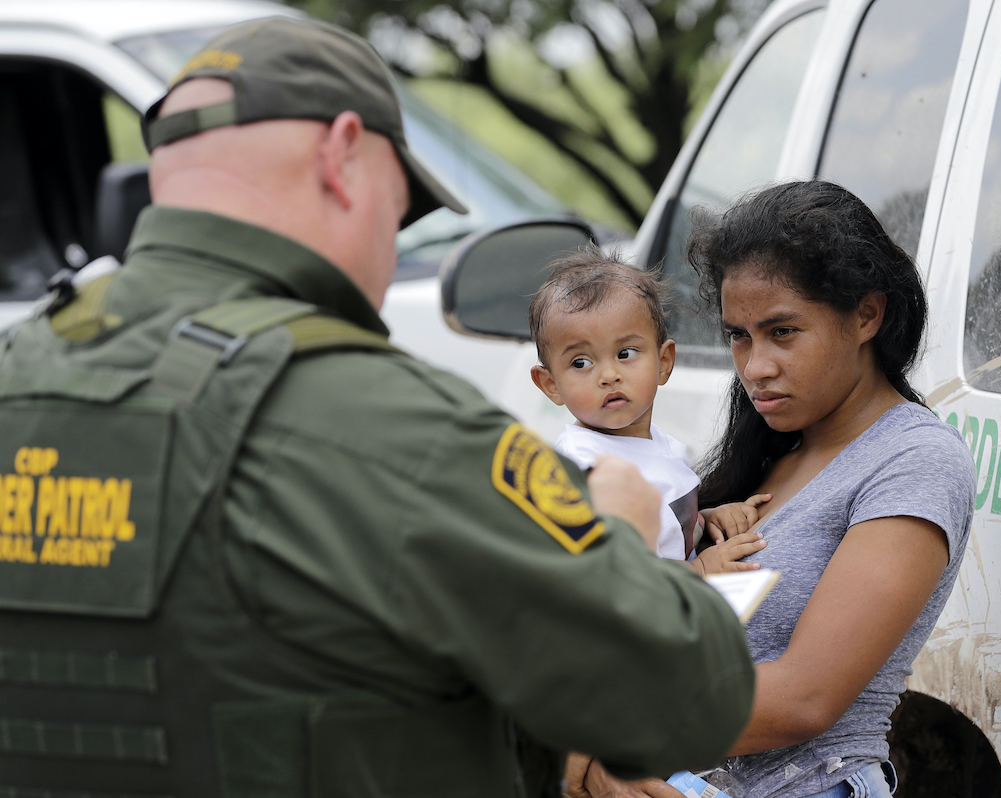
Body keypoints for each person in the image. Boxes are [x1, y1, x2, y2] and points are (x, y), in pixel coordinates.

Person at [0, 17, 755, 797]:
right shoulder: (391, 425)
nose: (391, 256)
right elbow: (694, 699)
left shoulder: (18, 374)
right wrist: (621, 548)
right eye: (397, 213)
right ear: (342, 156)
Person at [570, 180, 974, 798]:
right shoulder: (764, 455)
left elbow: (805, 698)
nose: (755, 366)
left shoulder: (913, 459)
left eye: (783, 332)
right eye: (739, 335)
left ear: (867, 315)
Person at [528, 249, 771, 576]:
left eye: (625, 353)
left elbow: (664, 530)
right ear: (550, 384)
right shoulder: (585, 468)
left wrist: (707, 520)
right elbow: (615, 574)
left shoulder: (661, 445)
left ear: (664, 362)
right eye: (581, 363)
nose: (608, 375)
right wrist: (698, 569)